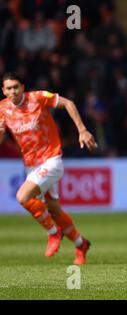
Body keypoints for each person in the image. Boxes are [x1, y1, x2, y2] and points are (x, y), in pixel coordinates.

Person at [0, 72, 97, 265]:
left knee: (23, 197)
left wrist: (82, 130)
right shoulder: (2, 109)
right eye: (9, 88)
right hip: (31, 165)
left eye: (16, 87)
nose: (13, 91)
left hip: (51, 159)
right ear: (3, 91)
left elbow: (68, 103)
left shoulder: (38, 98)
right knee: (54, 210)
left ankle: (53, 232)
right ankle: (81, 244)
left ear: (23, 87)